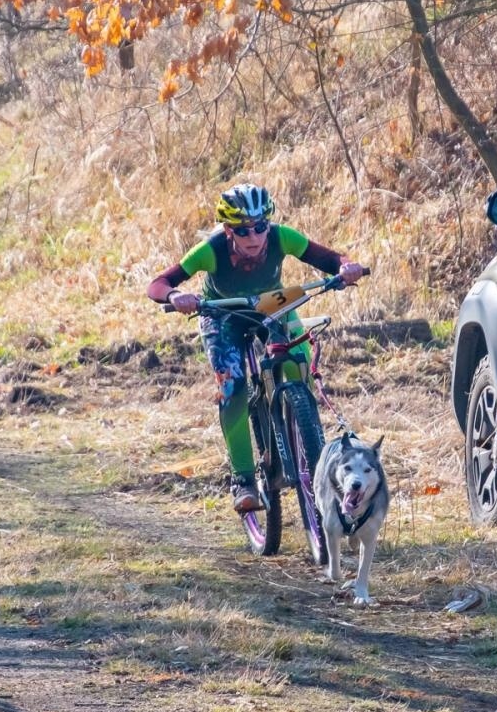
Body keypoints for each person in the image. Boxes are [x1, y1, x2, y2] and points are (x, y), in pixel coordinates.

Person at [147, 184, 365, 512]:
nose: (254, 237)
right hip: (223, 313)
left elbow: (330, 258)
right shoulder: (210, 250)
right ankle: (243, 479)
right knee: (232, 387)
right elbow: (159, 283)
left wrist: (346, 267)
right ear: (228, 230)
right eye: (243, 230)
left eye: (261, 226)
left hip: (272, 304)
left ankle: (302, 426)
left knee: (297, 363)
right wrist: (175, 297)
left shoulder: (282, 237)